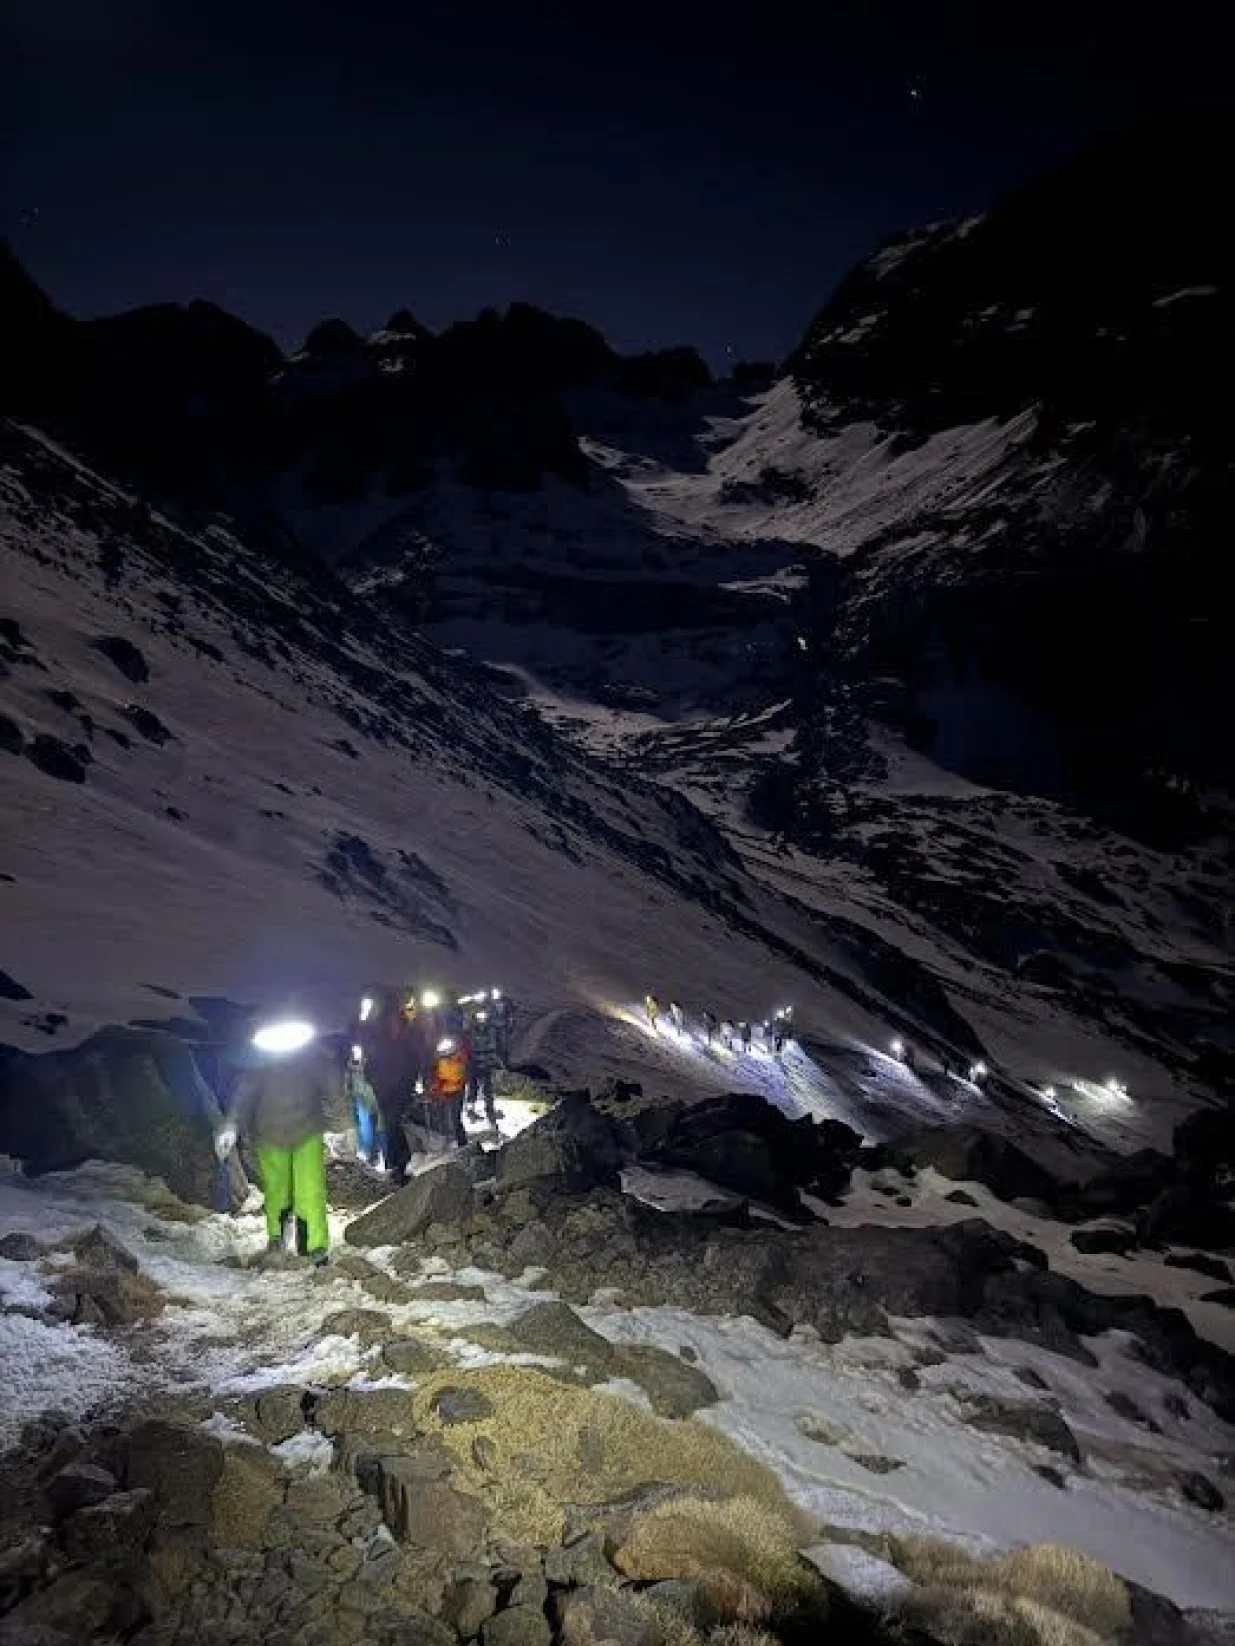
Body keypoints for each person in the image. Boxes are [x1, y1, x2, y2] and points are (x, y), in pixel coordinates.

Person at [215, 1012, 346, 1266]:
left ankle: (314, 1246)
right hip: (269, 1135)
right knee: (277, 1191)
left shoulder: (314, 1059)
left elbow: (334, 1090)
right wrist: (231, 1125)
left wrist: (346, 1126)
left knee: (310, 1190)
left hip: (307, 1133)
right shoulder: (261, 1064)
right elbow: (244, 1095)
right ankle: (277, 1238)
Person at [355, 988, 423, 1185]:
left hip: (391, 1082)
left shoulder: (386, 1027)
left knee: (391, 1123)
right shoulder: (390, 1027)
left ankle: (397, 1166)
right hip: (389, 1082)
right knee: (389, 1123)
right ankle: (397, 1164)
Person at [424, 1032, 470, 1149]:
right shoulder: (436, 1058)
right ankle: (449, 1147)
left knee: (454, 1120)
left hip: (455, 1091)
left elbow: (459, 1074)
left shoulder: (458, 1057)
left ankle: (462, 1146)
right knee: (442, 1121)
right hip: (441, 1092)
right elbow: (431, 1072)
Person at [467, 1003, 502, 1130]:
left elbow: (493, 1046)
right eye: (479, 1016)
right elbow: (469, 1046)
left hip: (486, 1063)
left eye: (484, 1016)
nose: (482, 1019)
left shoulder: (491, 1030)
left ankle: (490, 1115)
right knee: (473, 1089)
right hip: (474, 1064)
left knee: (487, 1090)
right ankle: (471, 1112)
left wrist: (493, 1060)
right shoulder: (471, 1030)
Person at [490, 988, 514, 1065]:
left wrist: (510, 1025)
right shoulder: (490, 1002)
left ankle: (504, 1061)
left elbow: (510, 1015)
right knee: (493, 1043)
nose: (495, 994)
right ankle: (495, 1061)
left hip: (503, 1026)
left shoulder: (506, 1002)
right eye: (494, 993)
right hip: (493, 1026)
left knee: (503, 1044)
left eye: (497, 993)